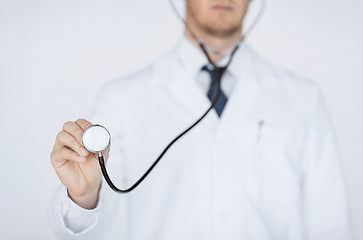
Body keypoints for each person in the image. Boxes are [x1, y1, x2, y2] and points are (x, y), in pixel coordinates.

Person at [49, 0, 353, 239]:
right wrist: (85, 195)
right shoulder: (122, 98)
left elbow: (331, 225)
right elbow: (87, 230)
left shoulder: (303, 98)